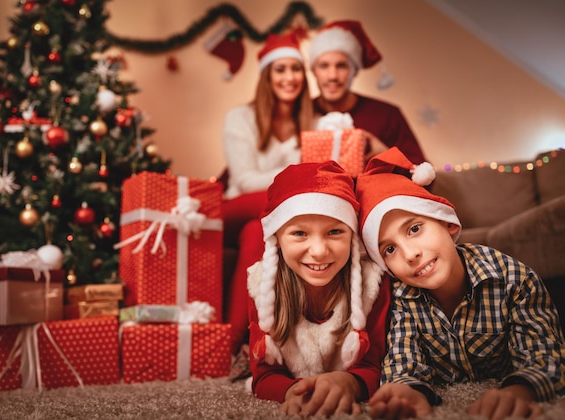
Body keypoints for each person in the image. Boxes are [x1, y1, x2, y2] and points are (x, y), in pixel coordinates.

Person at [354, 147, 565, 419]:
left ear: (448, 224)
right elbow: (403, 365)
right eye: (389, 250)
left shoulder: (515, 278)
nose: (410, 254)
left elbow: (546, 355)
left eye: (415, 228)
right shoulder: (400, 301)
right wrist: (408, 391)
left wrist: (520, 392)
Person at [247, 160, 390, 416]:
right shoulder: (262, 287)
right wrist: (293, 391)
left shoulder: (373, 284)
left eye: (335, 231)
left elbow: (376, 364)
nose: (319, 251)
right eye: (300, 234)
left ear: (353, 236)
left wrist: (348, 382)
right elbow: (265, 374)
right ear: (276, 239)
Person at [221, 31, 314, 361]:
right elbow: (245, 181)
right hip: (234, 208)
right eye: (280, 69)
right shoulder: (240, 118)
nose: (290, 77)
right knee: (261, 209)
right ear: (266, 75)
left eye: (296, 69)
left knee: (255, 233)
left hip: (270, 215)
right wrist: (296, 173)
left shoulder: (313, 123)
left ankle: (238, 342)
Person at [308, 20, 426, 164]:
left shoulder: (387, 115)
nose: (332, 76)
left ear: (355, 71)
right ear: (314, 71)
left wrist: (387, 155)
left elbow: (426, 178)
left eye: (342, 66)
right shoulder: (301, 114)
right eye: (324, 66)